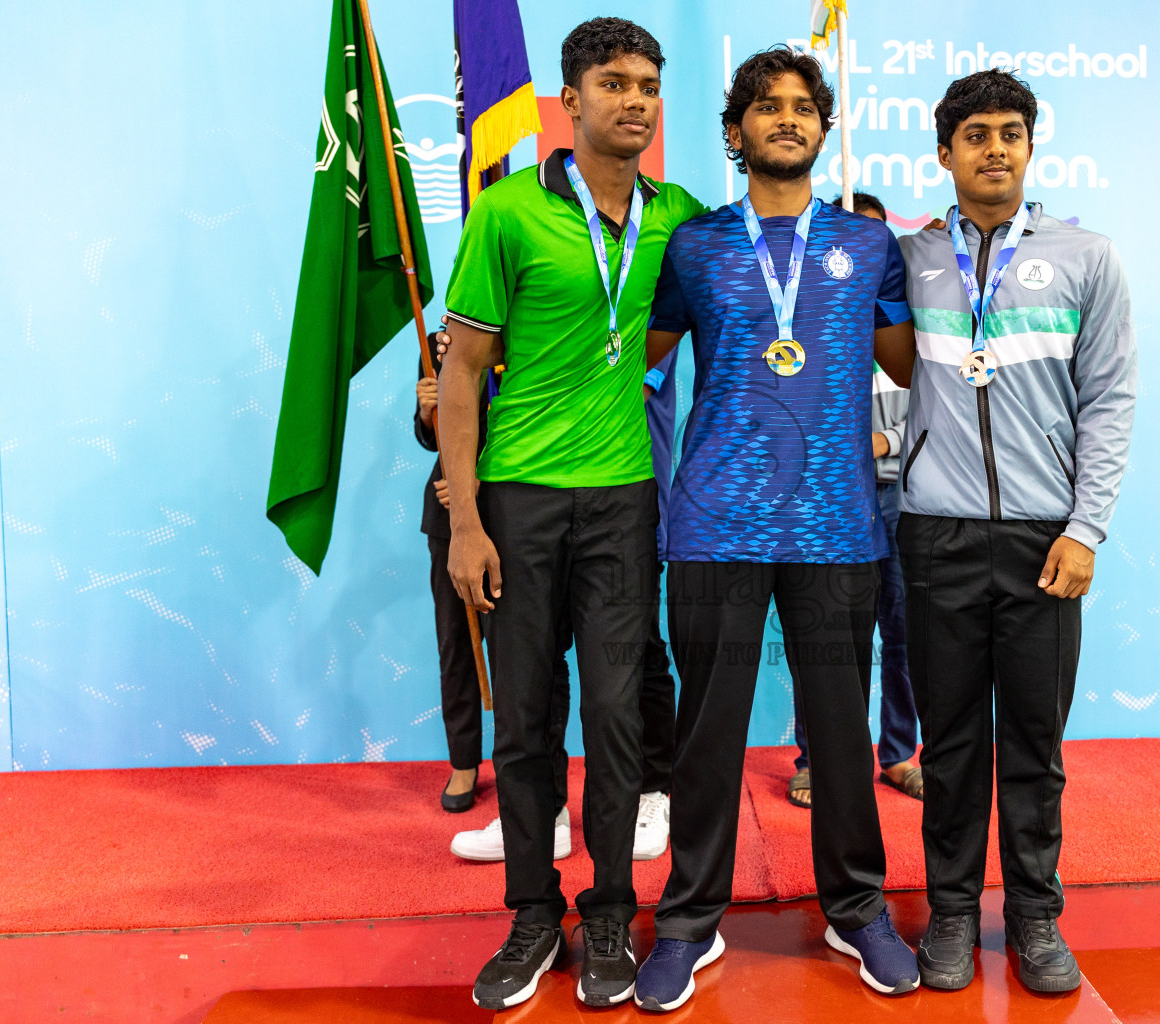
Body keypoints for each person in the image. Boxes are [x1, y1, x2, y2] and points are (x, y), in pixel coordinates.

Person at [630, 48, 919, 1013]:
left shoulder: (870, 247)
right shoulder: (694, 245)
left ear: (824, 130)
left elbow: (911, 364)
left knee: (840, 735)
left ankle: (857, 908)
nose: (786, 119)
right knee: (707, 737)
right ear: (736, 130)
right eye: (766, 106)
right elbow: (635, 360)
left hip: (838, 526)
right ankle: (688, 921)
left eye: (803, 107)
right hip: (715, 522)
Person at [436, 18, 705, 1010]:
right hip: (518, 499)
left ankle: (610, 913)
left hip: (624, 498)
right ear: (571, 99)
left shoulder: (678, 215)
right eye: (613, 83)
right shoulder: (506, 213)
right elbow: (461, 372)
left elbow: (669, 326)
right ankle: (531, 913)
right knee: (527, 717)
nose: (634, 100)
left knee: (617, 715)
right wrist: (466, 520)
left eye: (648, 85)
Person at [896, 69, 1136, 994]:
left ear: (1031, 146)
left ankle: (1035, 917)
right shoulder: (910, 258)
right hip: (937, 535)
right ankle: (952, 913)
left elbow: (1108, 401)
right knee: (951, 745)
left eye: (1010, 132)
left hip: (1045, 543)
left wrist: (1087, 528)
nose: (994, 148)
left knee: (1035, 744)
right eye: (976, 134)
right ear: (944, 151)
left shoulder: (1087, 256)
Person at [442, 345, 681, 864]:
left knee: (635, 657)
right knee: (537, 662)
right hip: (531, 503)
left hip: (621, 504)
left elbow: (605, 390)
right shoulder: (521, 324)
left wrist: (506, 357)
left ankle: (650, 792)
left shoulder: (634, 310)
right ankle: (542, 811)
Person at [788, 192, 921, 811]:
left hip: (897, 497)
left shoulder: (903, 326)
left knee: (903, 634)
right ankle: (818, 759)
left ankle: (897, 754)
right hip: (831, 503)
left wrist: (882, 440)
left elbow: (937, 409)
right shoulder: (805, 324)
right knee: (826, 640)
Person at [416, 351, 572, 830]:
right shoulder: (439, 343)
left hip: (521, 512)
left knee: (531, 656)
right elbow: (432, 437)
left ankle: (541, 787)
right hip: (451, 518)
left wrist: (480, 481)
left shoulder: (527, 336)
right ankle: (463, 762)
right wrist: (427, 412)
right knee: (456, 646)